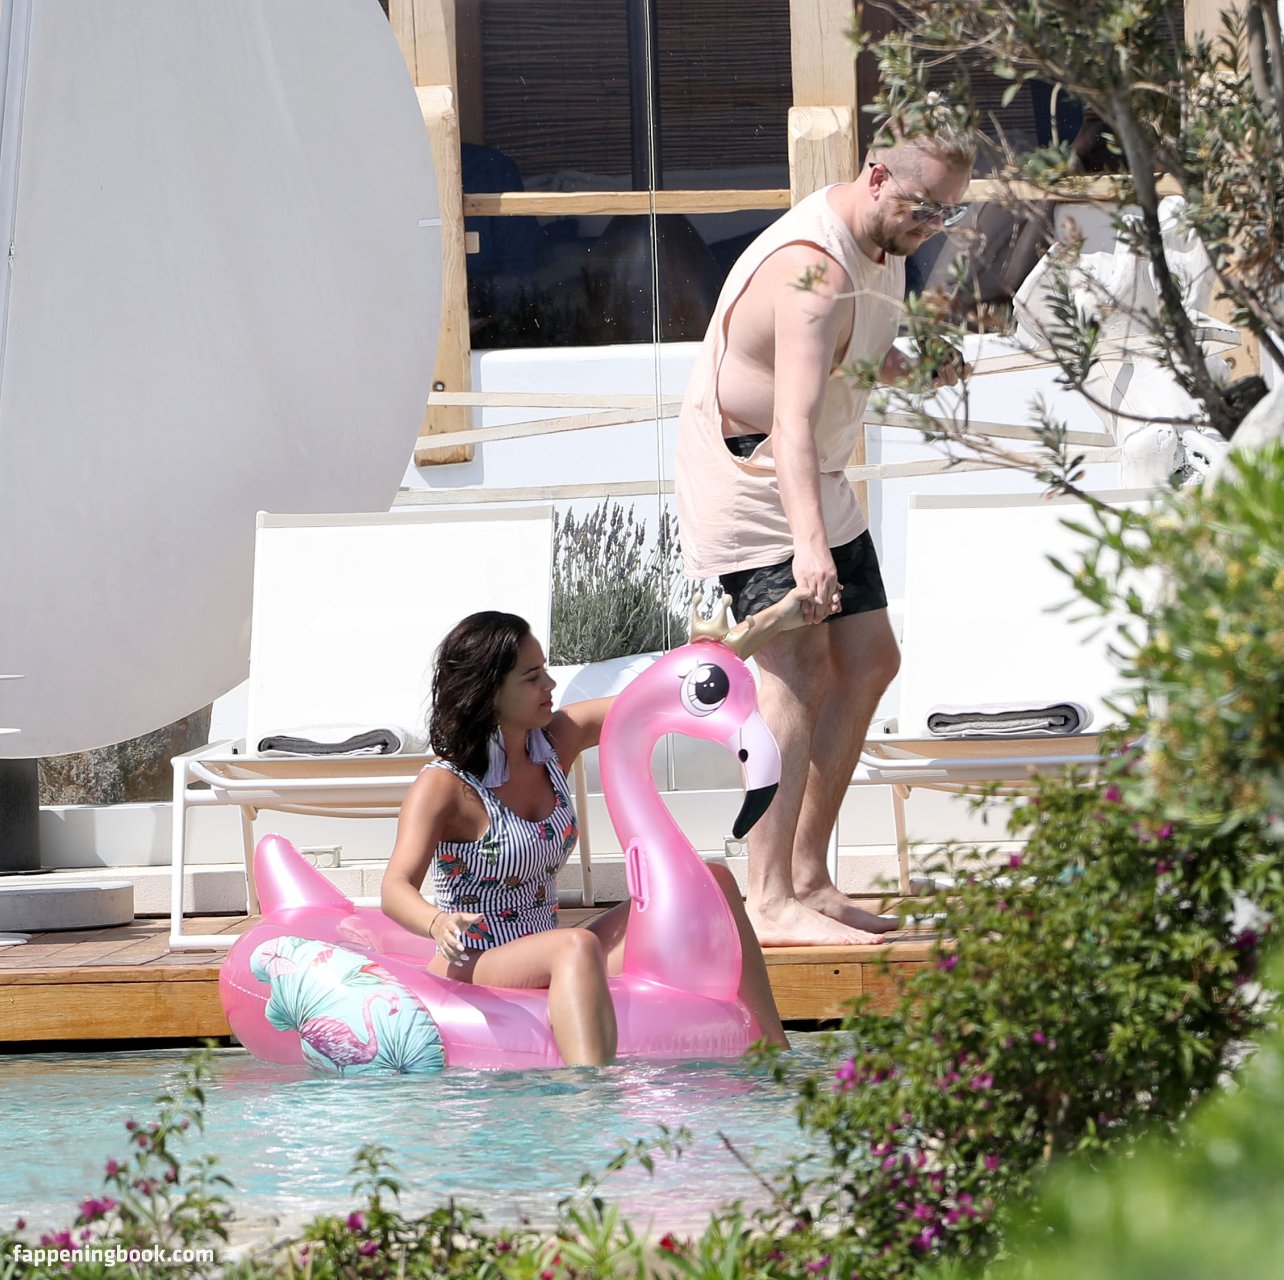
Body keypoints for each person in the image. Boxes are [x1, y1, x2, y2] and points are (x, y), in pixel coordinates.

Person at [675, 122, 977, 947]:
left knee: (872, 659)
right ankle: (767, 898)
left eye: (948, 213)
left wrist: (917, 368)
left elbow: (848, 356)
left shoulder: (888, 241)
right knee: (797, 671)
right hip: (752, 472)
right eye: (925, 207)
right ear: (876, 177)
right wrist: (810, 549)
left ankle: (807, 877)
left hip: (814, 473)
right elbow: (790, 423)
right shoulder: (813, 268)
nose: (933, 226)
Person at [381, 607, 796, 1067]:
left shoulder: (556, 742)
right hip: (476, 955)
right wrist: (437, 922)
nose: (550, 685)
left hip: (547, 943)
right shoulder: (443, 786)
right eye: (532, 677)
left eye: (545, 671)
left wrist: (748, 635)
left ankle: (776, 1052)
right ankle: (591, 1095)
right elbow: (394, 888)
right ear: (489, 691)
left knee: (713, 882)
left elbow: (659, 696)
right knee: (575, 946)